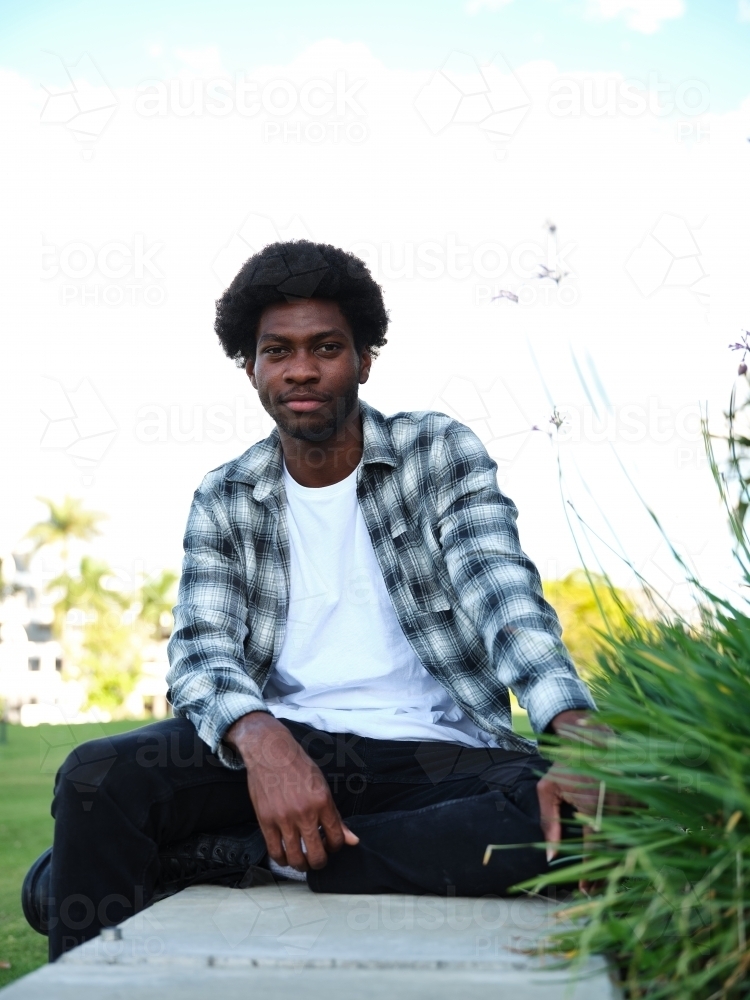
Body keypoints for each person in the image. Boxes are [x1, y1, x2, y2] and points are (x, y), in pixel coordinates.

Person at [24, 241, 599, 962]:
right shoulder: (227, 493)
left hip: (439, 764)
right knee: (95, 776)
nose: (302, 369)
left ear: (364, 358)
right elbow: (202, 651)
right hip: (287, 746)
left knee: (572, 814)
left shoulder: (436, 452)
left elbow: (502, 592)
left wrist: (572, 724)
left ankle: (253, 861)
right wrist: (264, 744)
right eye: (278, 351)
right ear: (251, 367)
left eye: (326, 347)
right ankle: (87, 976)